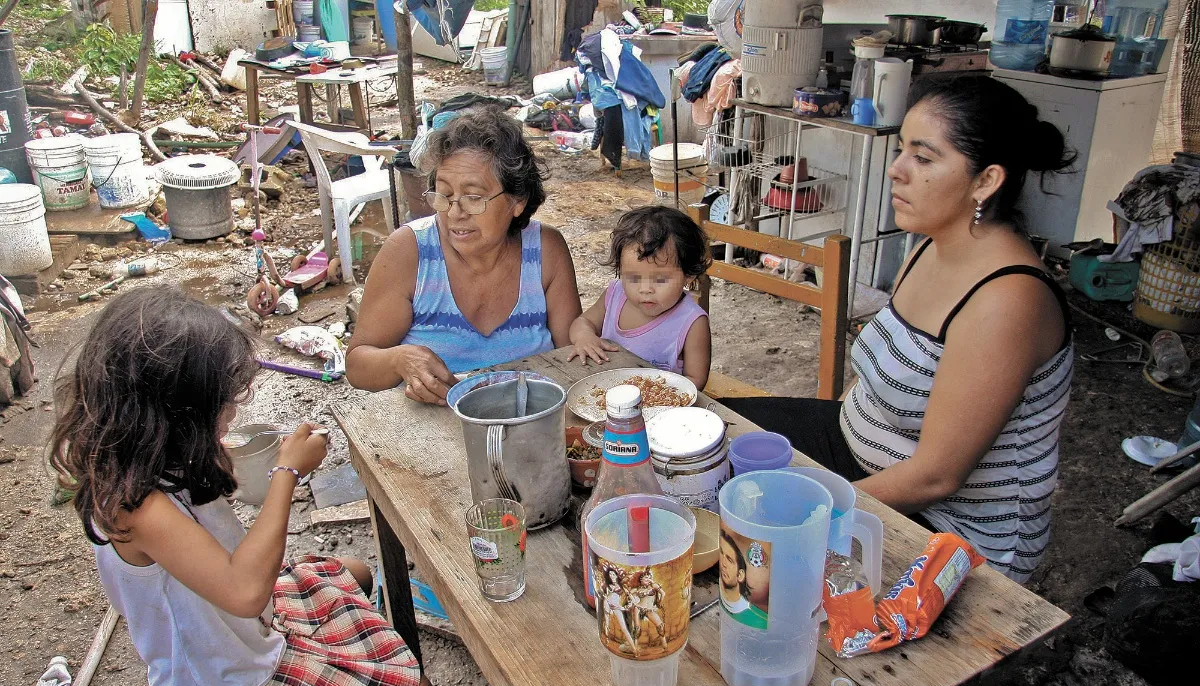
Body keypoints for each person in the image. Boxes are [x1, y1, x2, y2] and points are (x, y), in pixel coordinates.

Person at [723, 74, 1076, 583]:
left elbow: (937, 477)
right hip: (856, 447)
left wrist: (807, 513)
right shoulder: (930, 244)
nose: (897, 170)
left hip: (952, 530)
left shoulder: (1007, 299)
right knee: (704, 441)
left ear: (986, 181)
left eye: (924, 157)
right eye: (902, 149)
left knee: (751, 564)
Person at [49, 288, 433, 686]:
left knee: (356, 573)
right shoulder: (133, 506)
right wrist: (285, 474)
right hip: (223, 681)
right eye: (222, 403)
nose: (232, 411)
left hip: (239, 624)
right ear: (175, 411)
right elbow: (247, 592)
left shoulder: (146, 457)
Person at [346, 106, 582, 404]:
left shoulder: (546, 251)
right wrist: (399, 360)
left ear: (517, 201)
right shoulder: (409, 252)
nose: (455, 213)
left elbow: (572, 358)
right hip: (429, 436)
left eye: (473, 197)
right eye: (444, 194)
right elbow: (357, 366)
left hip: (528, 422)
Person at [567, 205, 713, 389]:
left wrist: (656, 393)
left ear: (688, 275)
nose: (645, 289)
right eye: (634, 278)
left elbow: (696, 380)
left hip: (661, 407)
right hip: (606, 395)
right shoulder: (614, 295)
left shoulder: (692, 322)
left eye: (660, 279)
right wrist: (584, 336)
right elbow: (583, 321)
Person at [718, 529, 768, 629]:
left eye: (729, 560)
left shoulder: (760, 619)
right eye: (721, 553)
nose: (723, 563)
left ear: (740, 575)